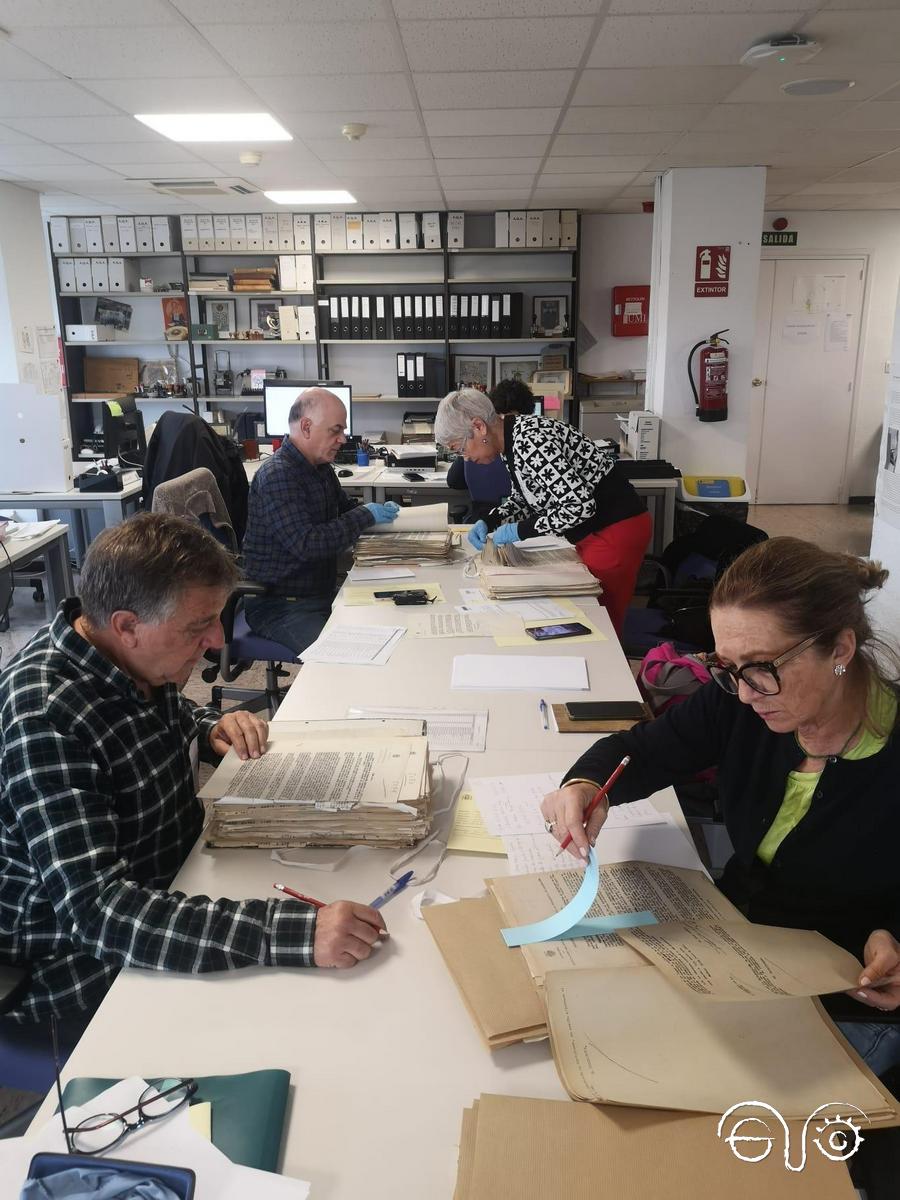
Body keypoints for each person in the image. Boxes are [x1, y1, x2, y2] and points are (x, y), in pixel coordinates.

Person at [0, 514, 388, 1085]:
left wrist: (206, 724)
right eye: (199, 625)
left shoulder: (124, 656)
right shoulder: (45, 715)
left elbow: (150, 714)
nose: (218, 643)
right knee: (323, 1043)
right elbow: (100, 915)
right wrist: (295, 934)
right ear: (128, 624)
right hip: (80, 966)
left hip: (178, 882)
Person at [540, 536, 900, 1077]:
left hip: (845, 993)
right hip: (737, 946)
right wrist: (586, 786)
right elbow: (639, 751)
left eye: (761, 666)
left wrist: (892, 934)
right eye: (725, 665)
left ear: (841, 650)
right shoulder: (741, 698)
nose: (747, 692)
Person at [434, 387, 652, 636]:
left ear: (479, 427)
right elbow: (526, 497)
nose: (465, 458)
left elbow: (579, 506)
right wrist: (490, 518)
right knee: (586, 616)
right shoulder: (510, 438)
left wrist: (521, 530)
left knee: (600, 624)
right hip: (594, 529)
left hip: (615, 530)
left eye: (461, 448)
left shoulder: (530, 439)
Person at [241, 387, 399, 654]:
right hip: (280, 604)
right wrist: (366, 514)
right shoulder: (278, 475)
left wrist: (378, 514)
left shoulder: (320, 466)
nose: (342, 439)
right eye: (335, 431)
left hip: (317, 592)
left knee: (388, 623)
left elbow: (344, 510)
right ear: (306, 427)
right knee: (344, 658)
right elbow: (308, 544)